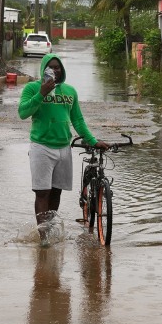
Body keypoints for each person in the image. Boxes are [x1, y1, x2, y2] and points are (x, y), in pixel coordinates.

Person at [18, 53, 108, 238]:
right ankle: (44, 239)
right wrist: (42, 93)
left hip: (64, 148)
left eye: (57, 67)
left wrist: (93, 141)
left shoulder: (70, 91)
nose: (54, 70)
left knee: (56, 193)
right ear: (43, 69)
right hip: (41, 147)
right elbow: (23, 112)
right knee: (42, 193)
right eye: (50, 67)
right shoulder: (32, 88)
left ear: (62, 70)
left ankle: (50, 230)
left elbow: (78, 120)